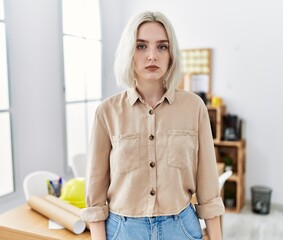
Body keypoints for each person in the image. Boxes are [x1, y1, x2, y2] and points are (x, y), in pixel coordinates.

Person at [81, 11, 224, 240]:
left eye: (162, 47)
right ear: (129, 52)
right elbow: (95, 194)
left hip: (181, 228)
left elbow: (208, 187)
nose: (152, 56)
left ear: (171, 54)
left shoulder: (194, 107)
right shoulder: (106, 113)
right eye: (141, 46)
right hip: (124, 230)